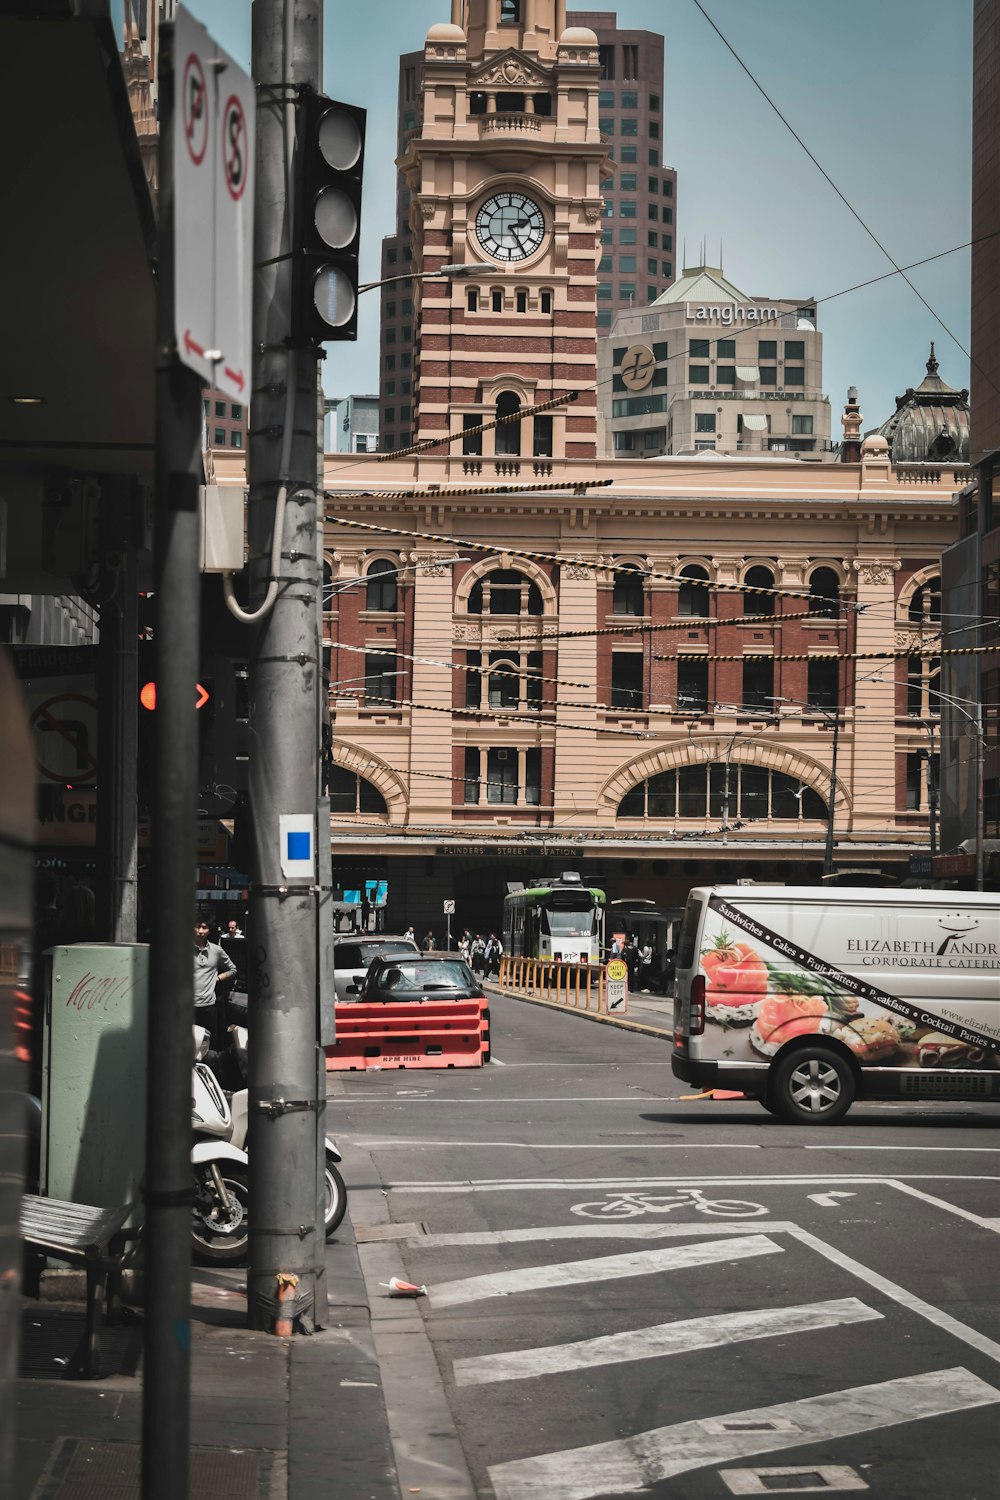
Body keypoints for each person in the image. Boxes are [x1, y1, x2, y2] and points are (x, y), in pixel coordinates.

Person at [194, 918, 237, 1049]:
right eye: (197, 927)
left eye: (204, 927)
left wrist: (218, 978)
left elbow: (233, 969)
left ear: (209, 930)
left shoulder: (216, 950)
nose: (201, 931)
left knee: (208, 1044)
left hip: (209, 1006)